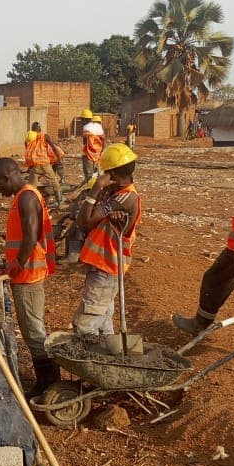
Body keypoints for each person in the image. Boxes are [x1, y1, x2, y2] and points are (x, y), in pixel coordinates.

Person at [0, 157, 58, 393]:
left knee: (33, 330)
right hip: (25, 273)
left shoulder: (27, 197)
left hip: (28, 274)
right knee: (31, 327)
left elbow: (30, 237)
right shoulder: (25, 196)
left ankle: (49, 384)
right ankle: (46, 381)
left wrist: (16, 264)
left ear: (6, 177)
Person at [74, 144, 141, 337]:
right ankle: (110, 355)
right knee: (103, 321)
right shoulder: (115, 194)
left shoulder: (125, 198)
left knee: (85, 325)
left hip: (107, 266)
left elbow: (84, 222)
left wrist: (96, 189)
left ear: (112, 173)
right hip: (104, 265)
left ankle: (90, 361)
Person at [173, 212, 234, 337]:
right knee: (214, 280)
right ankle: (200, 324)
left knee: (215, 280)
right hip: (233, 249)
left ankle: (200, 324)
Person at [24, 125, 63, 210]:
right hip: (44, 164)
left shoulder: (29, 138)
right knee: (55, 183)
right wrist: (59, 158)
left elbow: (28, 151)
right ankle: (59, 203)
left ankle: (28, 205)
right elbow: (53, 147)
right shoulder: (45, 136)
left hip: (34, 165)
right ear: (40, 129)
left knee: (31, 187)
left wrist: (29, 165)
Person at [82, 114, 105, 181]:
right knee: (97, 172)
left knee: (89, 173)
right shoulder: (101, 135)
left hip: (89, 154)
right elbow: (103, 145)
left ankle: (91, 186)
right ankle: (95, 184)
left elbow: (84, 142)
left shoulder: (87, 133)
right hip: (98, 154)